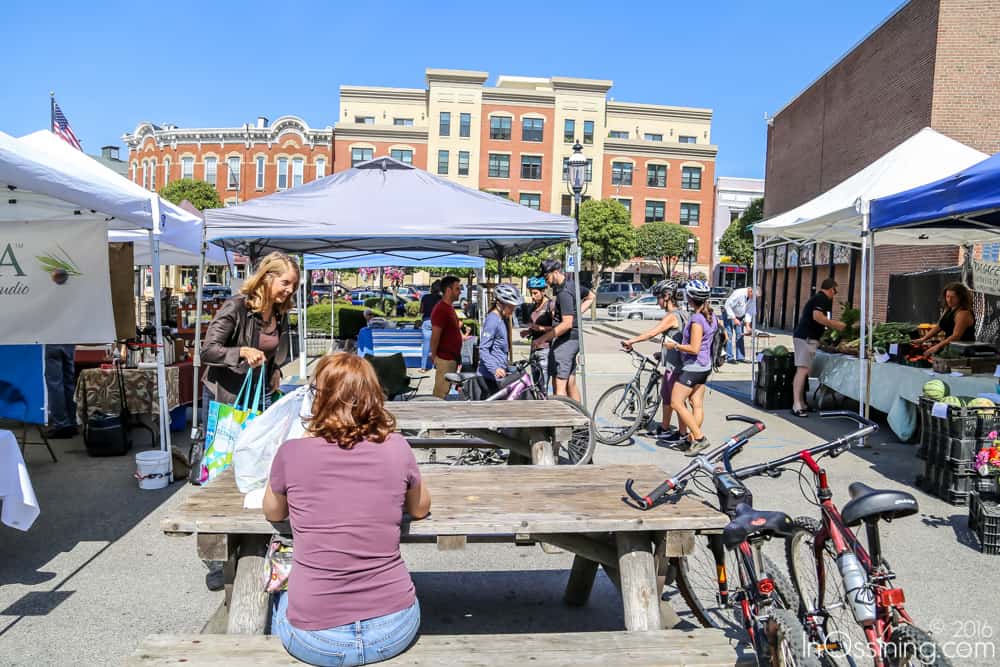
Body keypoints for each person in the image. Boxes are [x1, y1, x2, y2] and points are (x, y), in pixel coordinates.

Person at [264, 353, 431, 667]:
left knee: (275, 593)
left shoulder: (292, 452)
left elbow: (272, 512)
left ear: (318, 398)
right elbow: (420, 508)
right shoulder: (397, 447)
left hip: (316, 638)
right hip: (394, 628)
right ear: (372, 395)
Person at [202, 251, 299, 412]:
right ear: (267, 278)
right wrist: (242, 352)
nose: (290, 290)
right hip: (227, 397)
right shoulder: (237, 306)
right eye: (285, 283)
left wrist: (274, 369)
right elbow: (208, 351)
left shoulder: (280, 312)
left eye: (294, 285)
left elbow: (269, 353)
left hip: (261, 393)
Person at [621, 280, 688, 440]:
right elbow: (676, 338)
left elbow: (652, 333)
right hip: (674, 363)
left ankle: (684, 434)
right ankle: (665, 428)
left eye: (658, 297)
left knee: (677, 401)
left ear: (666, 296)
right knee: (667, 395)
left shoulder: (672, 316)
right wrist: (662, 352)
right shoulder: (683, 313)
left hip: (676, 366)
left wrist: (631, 341)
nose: (657, 301)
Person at [662, 280, 718, 456]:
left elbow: (693, 348)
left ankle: (699, 438)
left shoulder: (697, 320)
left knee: (676, 402)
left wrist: (675, 346)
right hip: (705, 366)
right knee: (697, 404)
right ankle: (690, 441)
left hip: (693, 367)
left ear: (690, 297)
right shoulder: (712, 316)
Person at [533, 259, 594, 401]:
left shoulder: (564, 293)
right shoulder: (572, 285)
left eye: (546, 277)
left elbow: (566, 324)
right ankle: (580, 417)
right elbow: (591, 297)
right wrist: (576, 314)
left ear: (555, 272)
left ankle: (562, 422)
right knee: (571, 383)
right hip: (573, 340)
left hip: (565, 341)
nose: (546, 281)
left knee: (559, 387)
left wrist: (542, 338)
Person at [792, 278, 846, 417]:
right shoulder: (821, 298)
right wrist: (835, 325)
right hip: (806, 338)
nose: (835, 294)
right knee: (802, 370)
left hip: (808, 338)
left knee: (804, 371)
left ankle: (802, 403)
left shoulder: (819, 299)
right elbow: (817, 316)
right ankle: (796, 404)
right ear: (830, 289)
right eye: (835, 291)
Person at [478, 284, 524, 395]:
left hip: (500, 373)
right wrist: (495, 369)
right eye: (510, 306)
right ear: (499, 304)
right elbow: (483, 349)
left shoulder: (501, 319)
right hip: (490, 376)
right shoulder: (492, 320)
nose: (513, 310)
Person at [912, 282, 976, 355]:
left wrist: (937, 346)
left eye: (953, 297)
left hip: (963, 350)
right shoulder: (949, 309)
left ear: (960, 297)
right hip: (950, 347)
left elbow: (956, 336)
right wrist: (923, 339)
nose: (949, 300)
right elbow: (939, 326)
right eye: (947, 296)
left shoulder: (963, 313)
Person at [429, 276, 463, 398]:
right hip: (445, 359)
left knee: (444, 392)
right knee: (440, 394)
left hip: (451, 358)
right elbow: (435, 335)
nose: (460, 292)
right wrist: (433, 356)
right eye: (457, 289)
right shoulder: (441, 309)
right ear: (448, 290)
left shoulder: (449, 308)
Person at [521, 277, 554, 392]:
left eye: (535, 293)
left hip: (545, 349)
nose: (533, 296)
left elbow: (557, 328)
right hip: (534, 348)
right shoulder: (534, 306)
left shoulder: (550, 305)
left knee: (543, 384)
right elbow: (535, 327)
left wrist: (540, 328)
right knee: (535, 385)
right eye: (531, 293)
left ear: (543, 291)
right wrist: (528, 332)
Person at [44, 344, 77, 438]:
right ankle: (71, 423)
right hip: (69, 339)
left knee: (55, 383)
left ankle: (61, 424)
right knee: (69, 382)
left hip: (53, 339)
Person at [723, 286, 755, 363]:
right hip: (729, 315)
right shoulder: (738, 293)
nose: (754, 298)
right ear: (750, 291)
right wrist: (734, 318)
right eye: (753, 296)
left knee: (740, 335)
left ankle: (740, 357)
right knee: (729, 335)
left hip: (740, 316)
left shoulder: (751, 298)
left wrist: (747, 325)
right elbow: (727, 305)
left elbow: (749, 312)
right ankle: (729, 357)